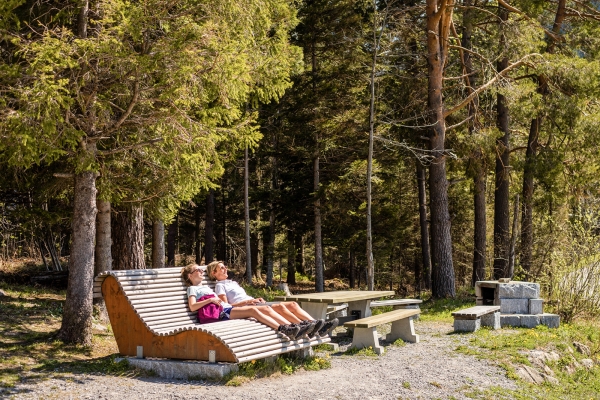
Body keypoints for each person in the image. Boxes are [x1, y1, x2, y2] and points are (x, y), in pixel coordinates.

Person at [206, 260, 338, 338]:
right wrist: (248, 302)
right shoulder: (219, 286)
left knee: (292, 304)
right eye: (221, 268)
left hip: (255, 302)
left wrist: (253, 299)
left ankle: (316, 324)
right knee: (280, 307)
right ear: (214, 273)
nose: (225, 269)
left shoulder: (232, 283)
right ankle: (304, 327)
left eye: (225, 267)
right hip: (247, 307)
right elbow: (227, 305)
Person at [181, 264, 301, 340]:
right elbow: (192, 307)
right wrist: (211, 299)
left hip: (225, 309)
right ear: (190, 276)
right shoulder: (192, 288)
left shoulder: (207, 287)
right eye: (197, 270)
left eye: (201, 269)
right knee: (253, 310)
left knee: (265, 309)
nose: (201, 271)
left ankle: (291, 327)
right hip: (221, 313)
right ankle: (283, 329)